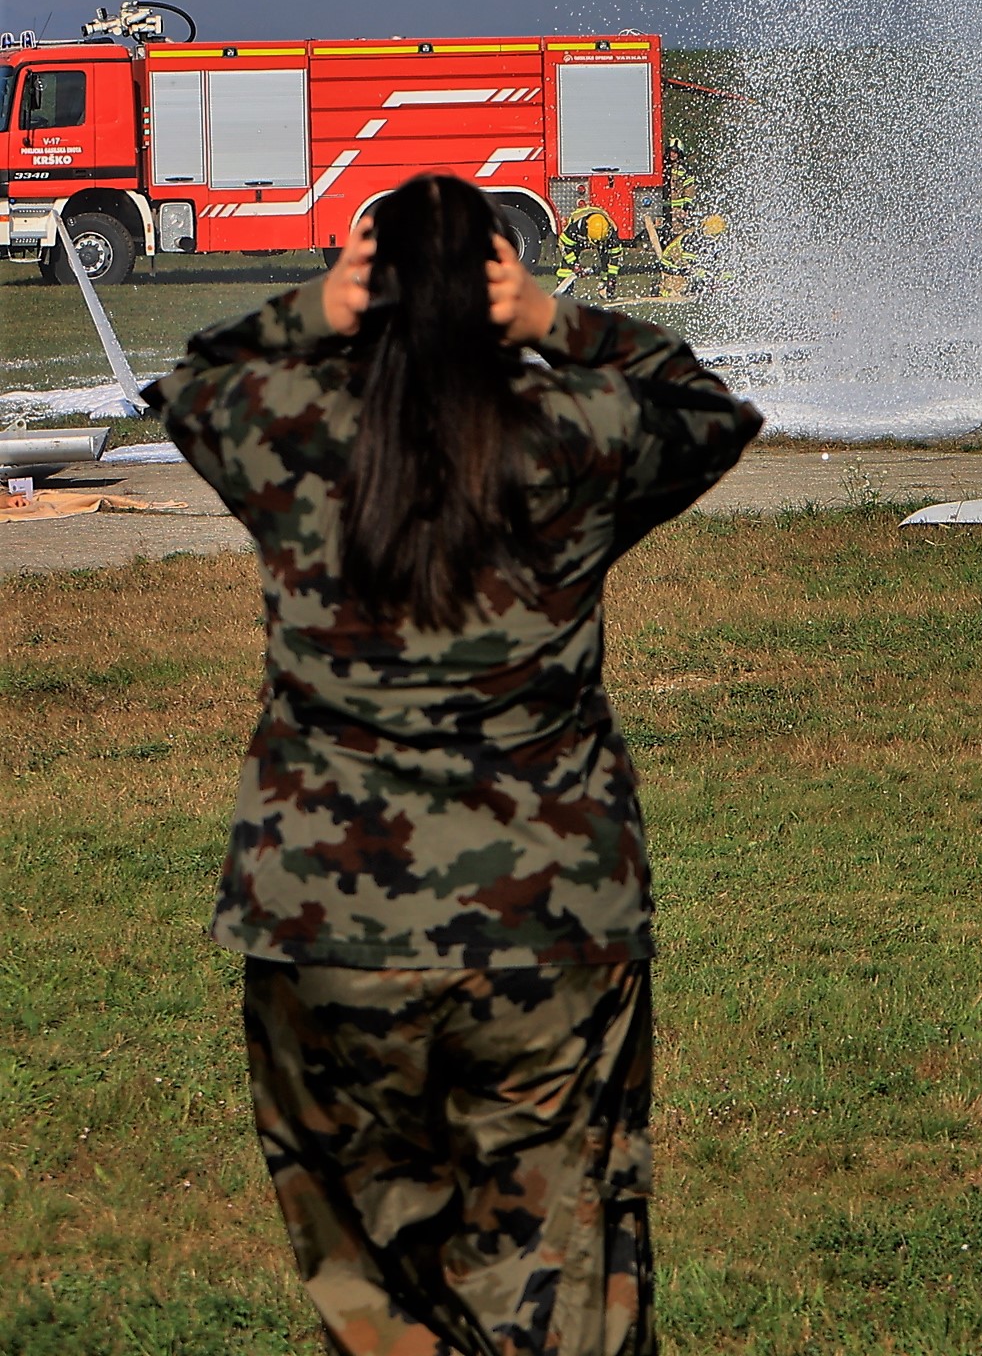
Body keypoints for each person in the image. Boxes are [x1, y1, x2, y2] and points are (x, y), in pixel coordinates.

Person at [154, 174, 763, 1354]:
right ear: (496, 284)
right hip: (550, 920)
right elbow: (707, 408)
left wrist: (312, 309)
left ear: (367, 286)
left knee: (372, 1280)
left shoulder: (290, 427)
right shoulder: (574, 432)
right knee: (560, 1263)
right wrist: (553, 320)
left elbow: (188, 382)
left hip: (327, 925)